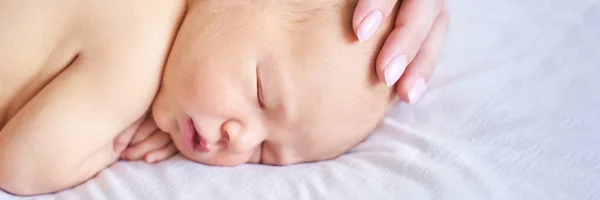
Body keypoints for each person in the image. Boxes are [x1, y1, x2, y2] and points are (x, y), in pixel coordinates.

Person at [0, 0, 447, 196]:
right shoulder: (140, 51)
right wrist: (121, 127)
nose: (240, 138)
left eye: (265, 153)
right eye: (259, 92)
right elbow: (20, 165)